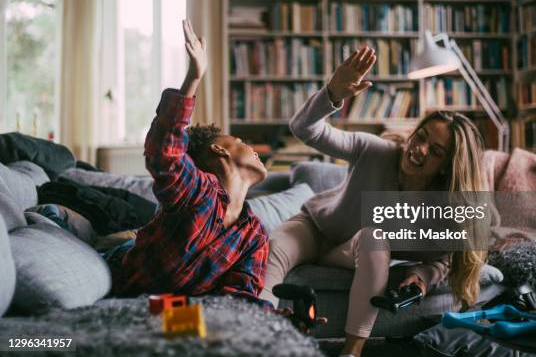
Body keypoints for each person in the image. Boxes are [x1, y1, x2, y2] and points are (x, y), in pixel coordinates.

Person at [260, 46, 490, 357]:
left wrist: (422, 275)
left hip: (354, 248)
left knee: (375, 236)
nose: (419, 150)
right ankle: (255, 339)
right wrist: (332, 94)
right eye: (421, 137)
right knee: (271, 247)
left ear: (448, 167)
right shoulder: (375, 150)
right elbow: (304, 129)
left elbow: (443, 260)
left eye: (435, 151)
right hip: (313, 230)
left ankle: (351, 352)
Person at [110, 20, 269, 302]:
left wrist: (278, 320)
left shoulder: (254, 234)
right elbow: (165, 155)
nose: (252, 147)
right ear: (220, 149)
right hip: (122, 271)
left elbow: (241, 295)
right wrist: (193, 78)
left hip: (170, 304)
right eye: (241, 142)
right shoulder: (199, 191)